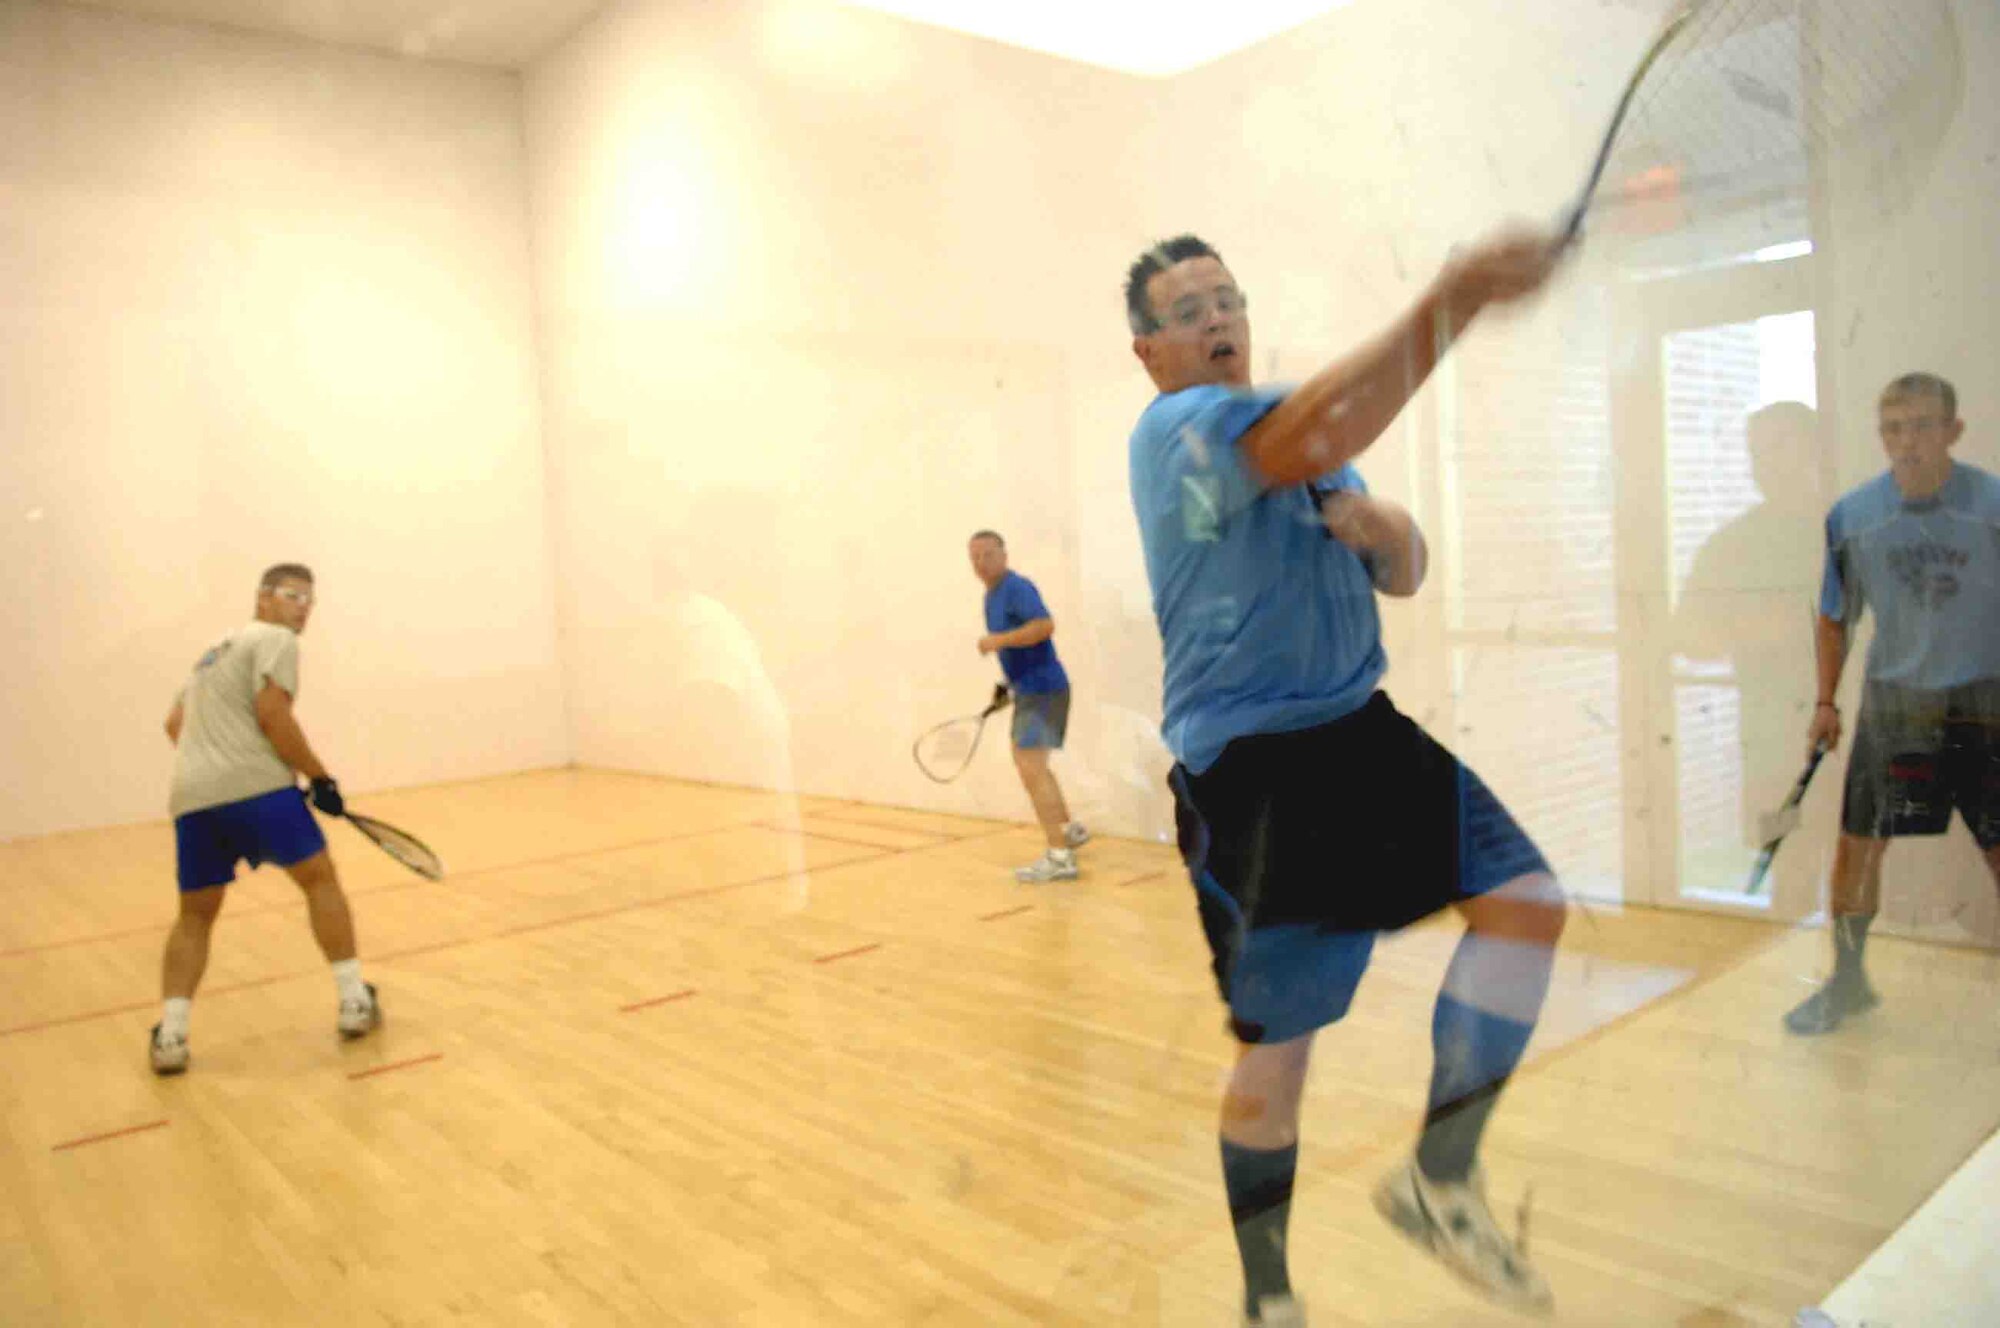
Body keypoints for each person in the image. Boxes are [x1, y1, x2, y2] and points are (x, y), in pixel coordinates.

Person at [1124, 231, 1567, 1323]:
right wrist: (1454, 294)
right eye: (1187, 310)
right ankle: (1267, 1294)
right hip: (1258, 779)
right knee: (1278, 1067)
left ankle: (1438, 1175)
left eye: (1226, 297)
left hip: (1364, 733)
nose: (1216, 318)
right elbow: (1319, 423)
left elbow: (1404, 576)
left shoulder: (1308, 438)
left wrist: (1386, 529)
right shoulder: (1175, 430)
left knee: (1524, 905)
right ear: (1148, 352)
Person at [1787, 372, 2000, 1035]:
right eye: (1895, 428)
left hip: (1982, 704)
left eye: (1924, 425)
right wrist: (1825, 701)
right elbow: (1834, 617)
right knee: (1858, 849)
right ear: (1882, 436)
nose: (1909, 442)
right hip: (1895, 708)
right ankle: (1849, 984)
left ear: (1953, 431)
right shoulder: (1853, 516)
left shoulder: (1992, 506)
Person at [151, 563, 379, 1075]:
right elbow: (273, 716)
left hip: (193, 801)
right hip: (259, 794)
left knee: (194, 917)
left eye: (309, 601)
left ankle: (171, 1035)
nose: (302, 609)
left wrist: (216, 767)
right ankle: (354, 1001)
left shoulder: (211, 655)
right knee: (320, 881)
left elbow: (174, 726)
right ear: (263, 598)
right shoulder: (275, 640)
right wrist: (319, 779)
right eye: (292, 596)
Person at [969, 530, 1089, 882]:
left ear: (1004, 554)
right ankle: (1066, 832)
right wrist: (1007, 687)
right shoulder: (991, 596)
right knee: (1035, 766)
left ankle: (1060, 856)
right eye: (974, 556)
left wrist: (998, 640)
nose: (981, 562)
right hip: (1032, 690)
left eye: (988, 554)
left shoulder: (1017, 587)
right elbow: (1019, 649)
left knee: (1030, 767)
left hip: (1044, 690)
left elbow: (1044, 626)